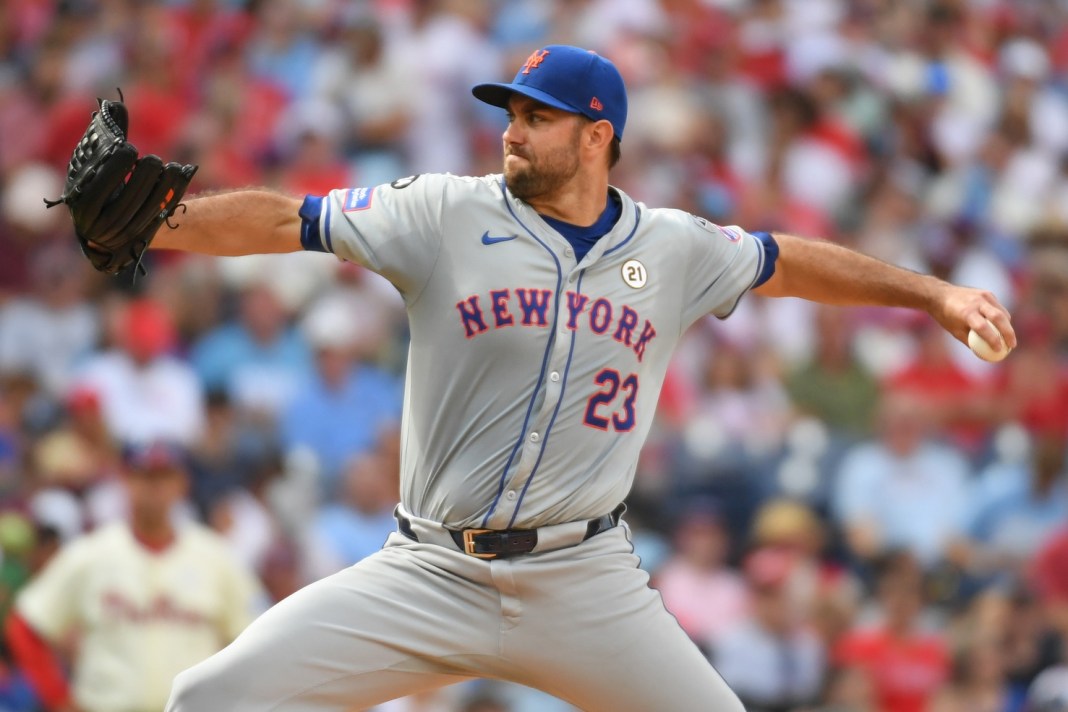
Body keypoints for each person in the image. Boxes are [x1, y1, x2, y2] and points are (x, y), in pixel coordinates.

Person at [150, 45, 1014, 711]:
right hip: (428, 569)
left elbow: (784, 262)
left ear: (598, 136)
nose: (512, 130)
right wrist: (161, 221)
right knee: (211, 699)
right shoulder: (445, 212)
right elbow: (287, 219)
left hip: (583, 577)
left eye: (539, 115)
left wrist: (932, 293)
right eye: (512, 111)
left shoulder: (672, 246)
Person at [5, 439, 264, 712]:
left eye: (164, 476)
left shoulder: (216, 557)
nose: (155, 486)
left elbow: (259, 639)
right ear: (125, 480)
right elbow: (25, 626)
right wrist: (58, 699)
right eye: (145, 476)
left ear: (183, 483)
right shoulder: (91, 554)